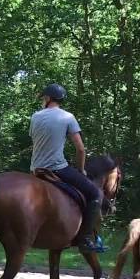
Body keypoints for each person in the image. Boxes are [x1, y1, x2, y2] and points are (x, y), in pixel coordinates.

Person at [29, 83, 106, 252]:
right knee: (94, 194)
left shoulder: (35, 116)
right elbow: (80, 149)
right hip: (57, 168)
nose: (43, 100)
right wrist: (80, 169)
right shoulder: (68, 117)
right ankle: (85, 238)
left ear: (48, 98)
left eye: (44, 97)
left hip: (35, 169)